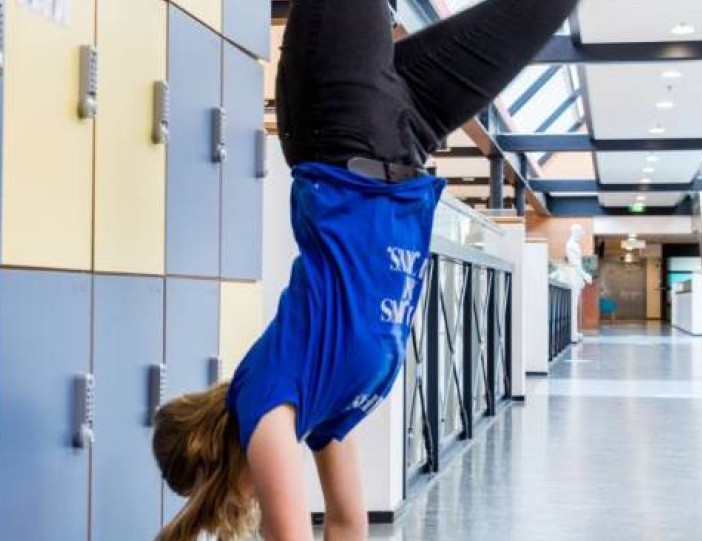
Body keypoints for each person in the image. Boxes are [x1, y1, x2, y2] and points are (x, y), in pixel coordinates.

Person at [150, 0, 580, 540]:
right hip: (407, 136)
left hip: (337, 118)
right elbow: (349, 523)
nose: (249, 500)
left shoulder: (266, 413)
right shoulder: (320, 419)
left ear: (215, 471)